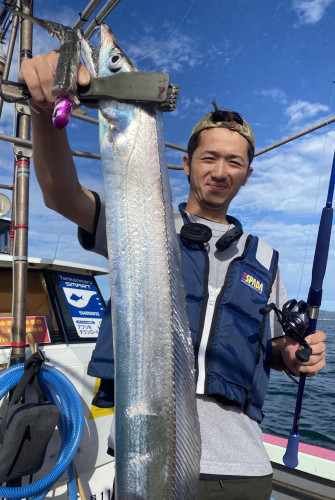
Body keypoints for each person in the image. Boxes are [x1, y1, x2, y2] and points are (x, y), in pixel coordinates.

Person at [18, 50, 327, 500]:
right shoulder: (138, 222)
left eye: (234, 163)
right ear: (186, 164)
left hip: (242, 468)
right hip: (146, 456)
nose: (220, 172)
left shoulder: (266, 259)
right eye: (209, 158)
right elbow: (61, 194)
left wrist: (300, 355)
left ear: (248, 174)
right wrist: (44, 112)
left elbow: (275, 348)